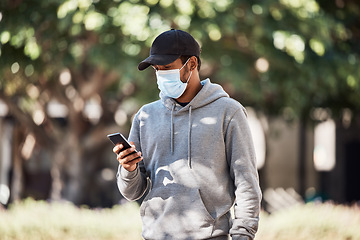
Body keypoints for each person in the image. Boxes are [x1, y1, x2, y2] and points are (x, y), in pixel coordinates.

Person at [113, 29, 262, 240]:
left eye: (167, 68)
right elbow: (132, 192)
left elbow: (246, 184)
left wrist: (243, 236)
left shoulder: (228, 112)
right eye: (156, 69)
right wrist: (129, 169)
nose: (161, 75)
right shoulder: (146, 116)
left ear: (191, 64)